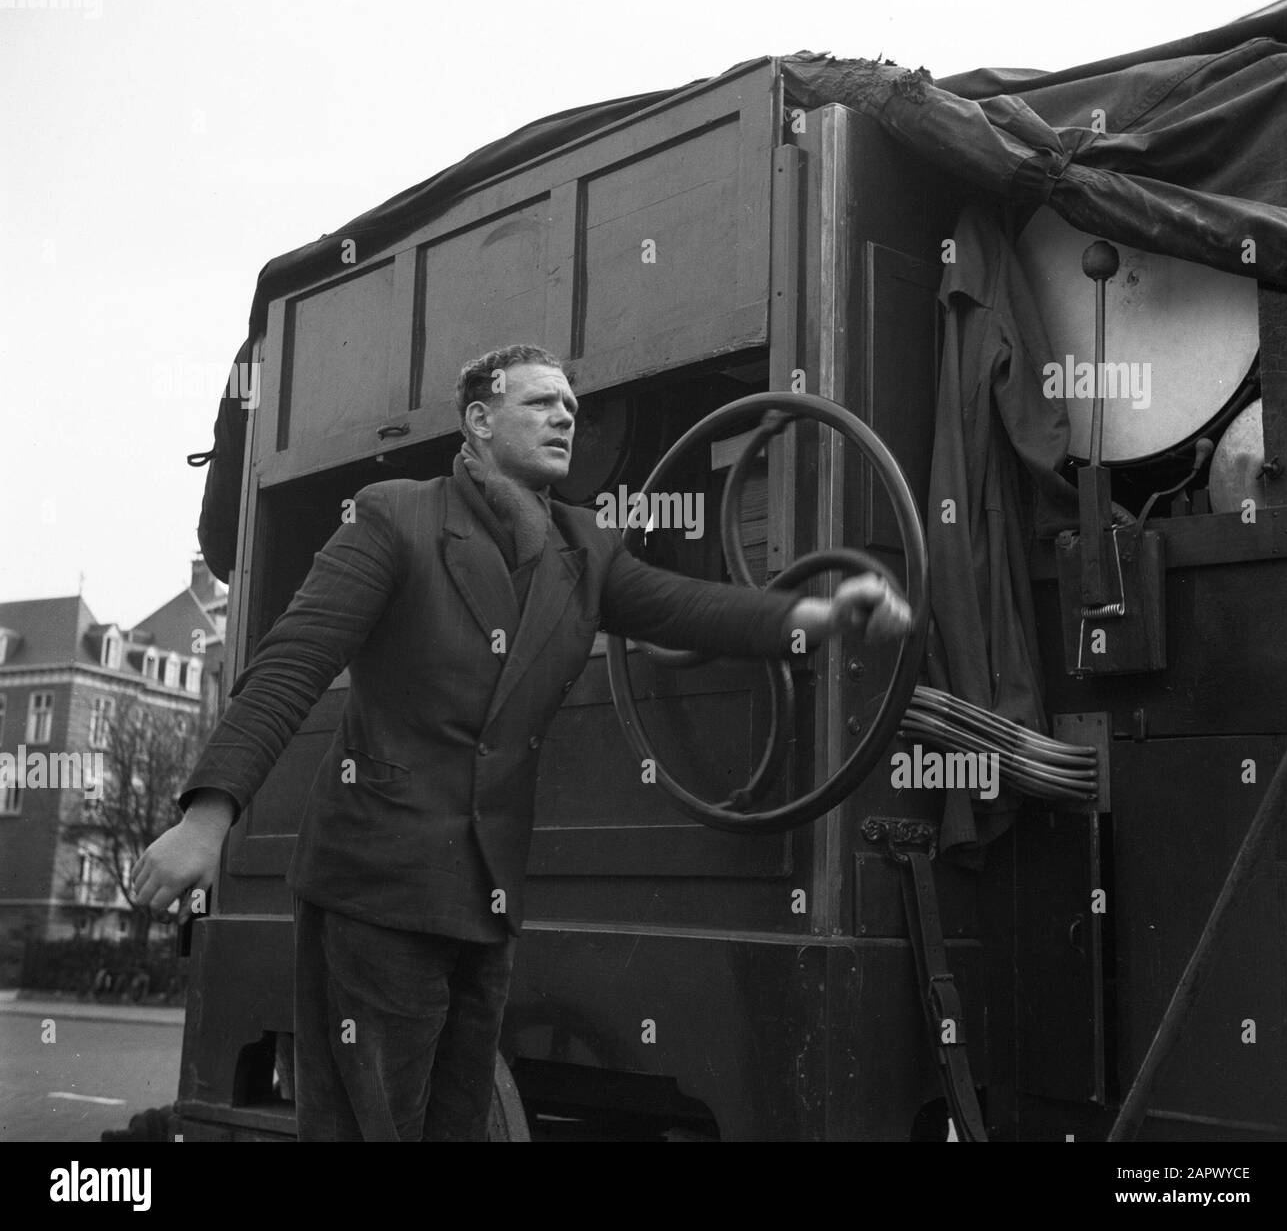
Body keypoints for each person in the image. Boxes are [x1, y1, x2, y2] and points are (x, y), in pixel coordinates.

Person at [131, 344, 911, 1141]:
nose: (565, 415)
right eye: (541, 402)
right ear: (478, 420)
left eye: (571, 406)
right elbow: (290, 666)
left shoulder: (586, 548)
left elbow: (687, 609)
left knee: (458, 1125)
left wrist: (810, 619)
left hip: (485, 896)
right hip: (375, 887)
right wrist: (208, 818)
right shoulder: (393, 516)